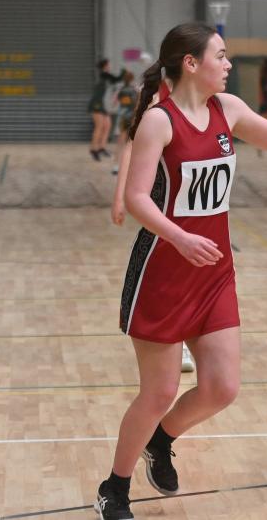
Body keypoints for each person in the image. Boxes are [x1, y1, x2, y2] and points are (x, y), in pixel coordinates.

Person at [94, 22, 267, 520]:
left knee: (222, 387)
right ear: (191, 63)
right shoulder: (159, 120)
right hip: (163, 268)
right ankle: (115, 486)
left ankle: (161, 438)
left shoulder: (228, 109)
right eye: (222, 55)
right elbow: (134, 197)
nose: (230, 63)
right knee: (159, 391)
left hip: (214, 268)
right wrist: (178, 234)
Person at [110, 78, 196, 376]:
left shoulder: (200, 103)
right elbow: (130, 151)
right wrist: (120, 196)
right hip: (159, 202)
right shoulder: (153, 108)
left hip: (191, 207)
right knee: (169, 276)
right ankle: (174, 340)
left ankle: (187, 335)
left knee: (192, 276)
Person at [89, 59, 127, 161]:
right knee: (99, 127)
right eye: (108, 64)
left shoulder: (106, 76)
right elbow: (117, 79)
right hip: (97, 103)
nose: (109, 66)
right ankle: (94, 150)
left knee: (107, 126)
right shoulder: (103, 74)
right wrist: (123, 71)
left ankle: (102, 148)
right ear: (105, 66)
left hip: (103, 104)